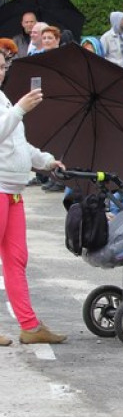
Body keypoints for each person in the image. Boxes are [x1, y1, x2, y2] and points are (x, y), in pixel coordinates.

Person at [0, 55, 67, 345]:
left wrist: (47, 161)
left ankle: (29, 326)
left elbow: (18, 143)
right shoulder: (10, 104)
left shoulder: (2, 98)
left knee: (17, 259)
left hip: (13, 190)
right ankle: (29, 325)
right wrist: (19, 109)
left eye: (2, 66)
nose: (0, 71)